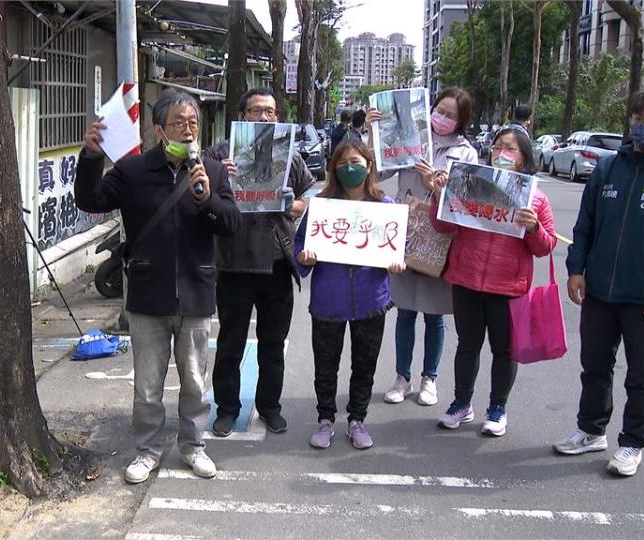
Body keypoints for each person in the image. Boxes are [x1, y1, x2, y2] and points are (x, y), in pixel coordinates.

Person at [76, 89, 241, 483]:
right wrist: (92, 156)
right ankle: (147, 450)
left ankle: (193, 446)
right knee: (147, 387)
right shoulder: (134, 171)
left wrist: (206, 199)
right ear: (158, 130)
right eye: (178, 124)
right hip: (148, 294)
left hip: (197, 294)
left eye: (193, 124)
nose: (187, 132)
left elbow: (232, 223)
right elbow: (89, 198)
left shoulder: (214, 171)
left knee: (195, 383)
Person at [430, 126, 557, 436]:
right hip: (467, 279)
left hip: (508, 286)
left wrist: (533, 228)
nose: (502, 153)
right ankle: (461, 404)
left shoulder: (536, 199)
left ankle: (497, 409)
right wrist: (440, 194)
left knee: (504, 350)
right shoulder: (471, 184)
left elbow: (545, 246)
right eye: (499, 147)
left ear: (524, 158)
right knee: (467, 345)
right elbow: (441, 226)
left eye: (511, 149)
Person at [204, 88, 315, 437]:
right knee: (231, 341)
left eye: (270, 112)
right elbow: (198, 192)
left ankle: (270, 407)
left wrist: (292, 205)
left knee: (272, 342)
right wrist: (219, 174)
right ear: (241, 115)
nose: (264, 118)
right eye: (256, 111)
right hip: (234, 262)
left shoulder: (290, 155)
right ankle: (227, 409)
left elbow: (309, 199)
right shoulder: (219, 154)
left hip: (276, 261)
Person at [367, 87, 479, 406]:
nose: (441, 118)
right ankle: (402, 377)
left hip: (441, 234)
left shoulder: (466, 152)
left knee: (434, 314)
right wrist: (375, 134)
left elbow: (466, 201)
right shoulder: (410, 138)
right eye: (439, 111)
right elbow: (375, 172)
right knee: (405, 309)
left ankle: (430, 378)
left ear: (461, 122)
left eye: (450, 115)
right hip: (406, 228)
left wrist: (436, 187)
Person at [553, 91, 644, 476]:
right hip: (599, 291)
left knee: (641, 375)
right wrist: (576, 269)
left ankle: (632, 442)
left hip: (640, 297)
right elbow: (585, 225)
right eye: (639, 116)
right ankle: (591, 430)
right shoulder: (608, 169)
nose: (642, 124)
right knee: (595, 365)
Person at [294, 139, 407, 450]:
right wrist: (304, 258)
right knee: (326, 364)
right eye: (343, 164)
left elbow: (400, 247)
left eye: (356, 162)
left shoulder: (386, 208)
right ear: (333, 169)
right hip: (329, 299)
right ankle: (325, 420)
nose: (350, 169)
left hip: (371, 299)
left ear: (369, 166)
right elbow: (300, 244)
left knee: (364, 364)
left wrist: (398, 263)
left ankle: (357, 420)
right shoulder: (320, 207)